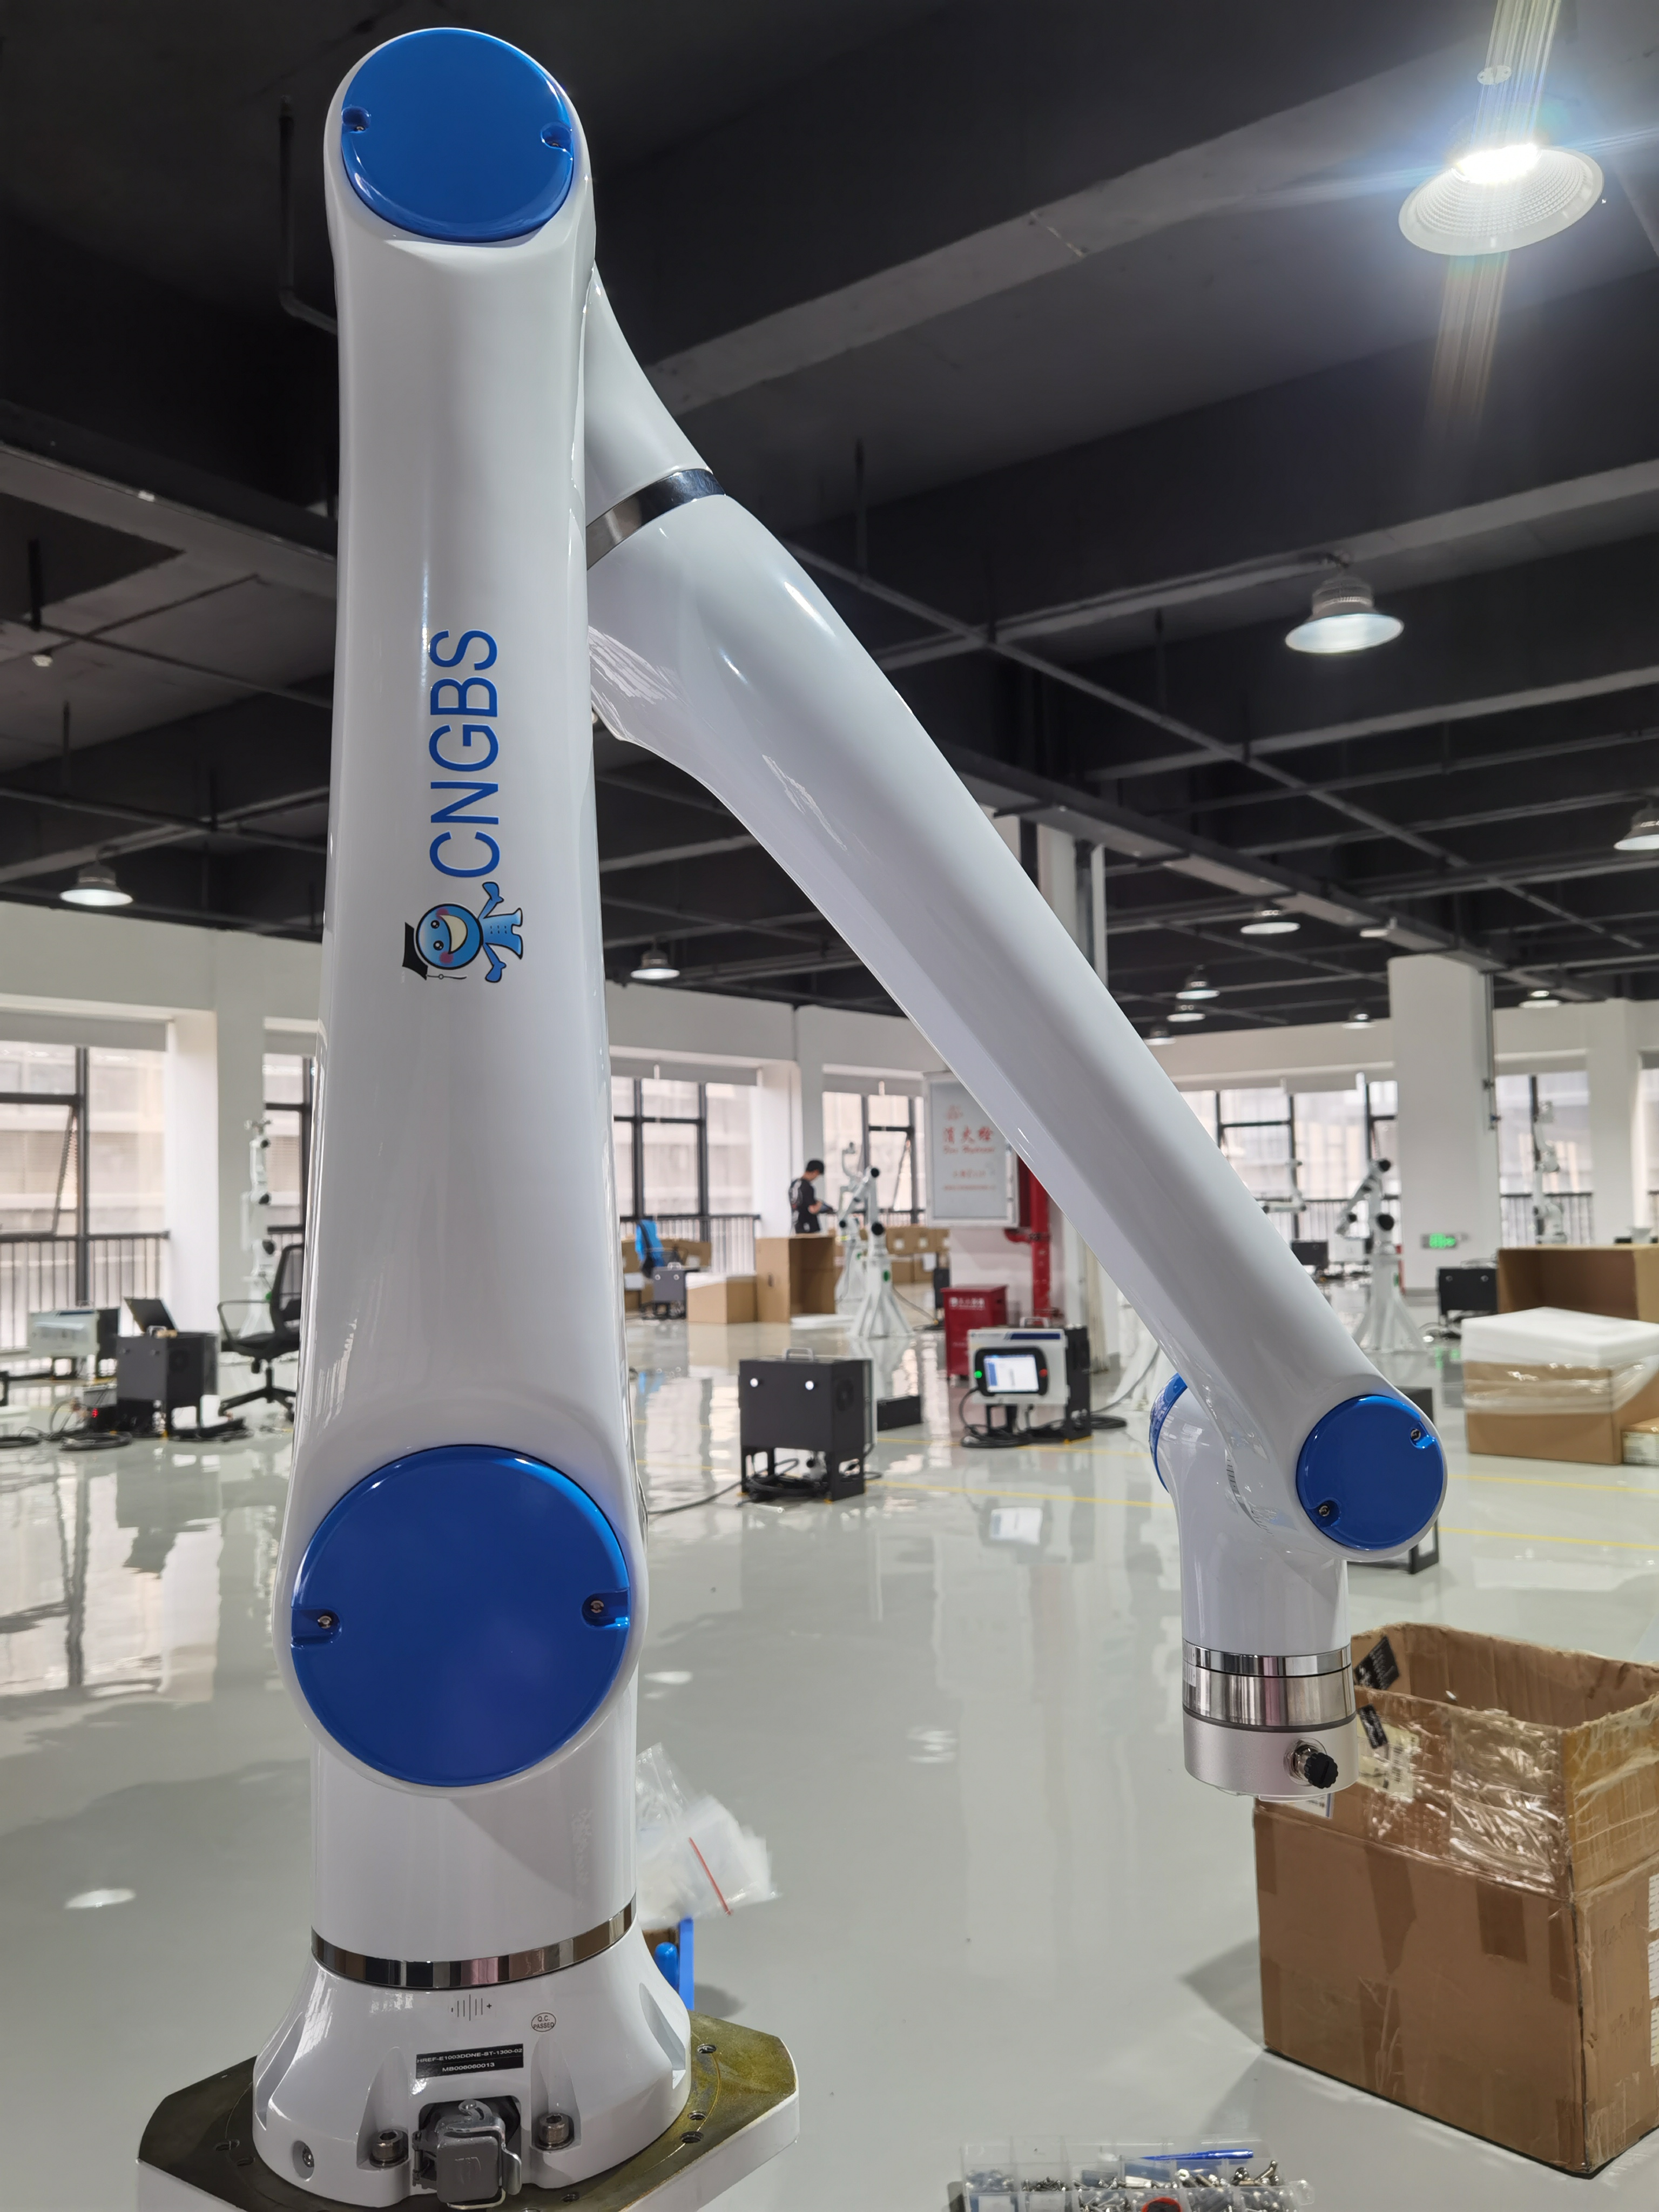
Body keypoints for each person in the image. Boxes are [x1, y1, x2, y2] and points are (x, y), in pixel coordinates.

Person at [790, 1159, 827, 1233]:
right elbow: (813, 1209)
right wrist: (820, 1204)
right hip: (808, 1227)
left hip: (797, 1225)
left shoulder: (794, 1184)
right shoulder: (807, 1187)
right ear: (816, 1172)